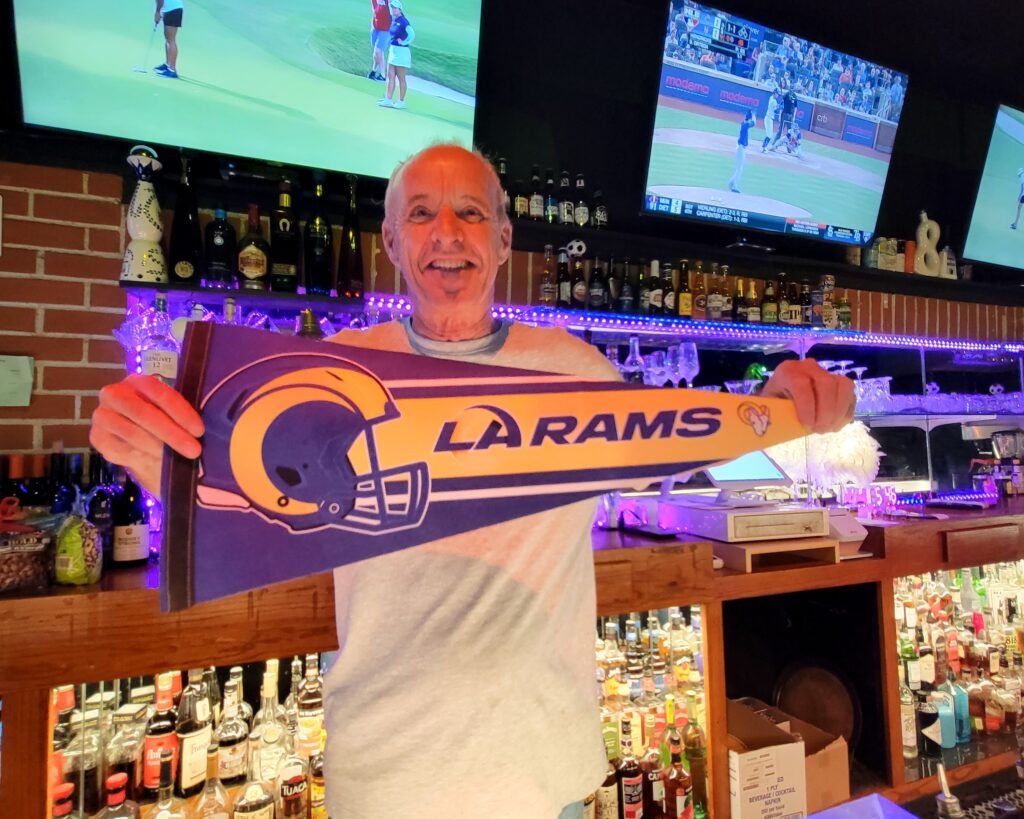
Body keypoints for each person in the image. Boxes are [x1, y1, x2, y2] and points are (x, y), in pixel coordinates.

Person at [89, 144, 855, 818]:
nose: (446, 233)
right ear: (391, 240)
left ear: (502, 239)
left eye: (470, 212)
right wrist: (143, 449)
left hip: (542, 764)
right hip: (386, 771)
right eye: (420, 213)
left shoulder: (576, 371)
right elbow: (227, 494)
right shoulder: (334, 372)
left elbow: (689, 444)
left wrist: (785, 404)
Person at [378, 0, 414, 110]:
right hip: (393, 51)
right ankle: (388, 99)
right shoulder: (393, 20)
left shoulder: (404, 21)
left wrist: (403, 42)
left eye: (395, 8)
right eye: (392, 8)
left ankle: (401, 101)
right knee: (390, 76)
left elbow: (412, 35)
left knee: (401, 78)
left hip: (402, 52)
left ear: (400, 10)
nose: (393, 10)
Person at [152, 0, 183, 79]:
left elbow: (160, 1)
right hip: (171, 9)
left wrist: (158, 12)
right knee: (168, 39)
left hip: (173, 10)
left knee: (171, 40)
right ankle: (168, 65)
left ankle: (172, 69)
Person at [729, 108, 756, 193]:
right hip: (740, 148)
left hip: (741, 148)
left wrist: (751, 114)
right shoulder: (745, 125)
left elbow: (751, 122)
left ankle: (731, 182)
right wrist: (754, 115)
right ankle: (734, 185)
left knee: (739, 168)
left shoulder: (744, 123)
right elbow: (754, 123)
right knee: (740, 168)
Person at [368, 0, 391, 81]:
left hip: (386, 30)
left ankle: (382, 75)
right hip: (375, 28)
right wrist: (372, 25)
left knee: (378, 51)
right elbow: (374, 11)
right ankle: (374, 71)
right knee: (376, 53)